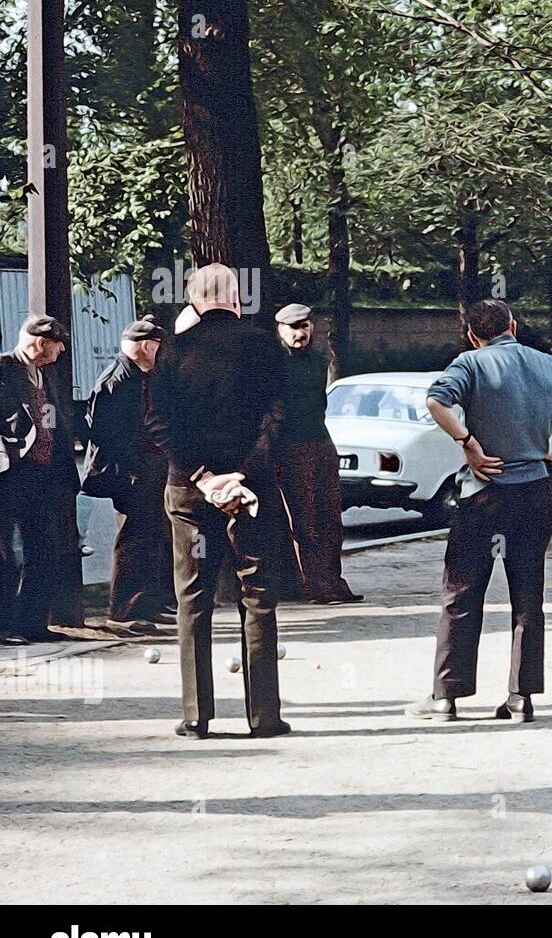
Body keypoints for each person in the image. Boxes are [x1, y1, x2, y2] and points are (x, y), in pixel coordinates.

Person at [406, 299, 552, 724]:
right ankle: (521, 698)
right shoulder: (549, 365)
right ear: (513, 326)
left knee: (461, 593)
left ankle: (446, 697)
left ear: (472, 334)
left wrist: (470, 443)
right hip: (534, 492)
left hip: (483, 493)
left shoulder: (469, 364)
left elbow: (435, 402)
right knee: (527, 596)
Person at [144, 264, 291, 740]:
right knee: (258, 596)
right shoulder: (265, 345)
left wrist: (205, 477)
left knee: (192, 598)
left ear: (192, 298)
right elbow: (277, 419)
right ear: (236, 296)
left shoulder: (172, 351)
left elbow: (158, 426)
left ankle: (196, 715)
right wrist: (241, 473)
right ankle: (264, 716)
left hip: (190, 489)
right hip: (251, 490)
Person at [82, 315, 176, 627]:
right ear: (147, 346)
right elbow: (104, 432)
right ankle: (123, 609)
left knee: (151, 538)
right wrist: (130, 469)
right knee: (133, 540)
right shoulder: (118, 379)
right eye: (158, 346)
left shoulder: (140, 376)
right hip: (131, 472)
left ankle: (147, 603)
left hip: (149, 467)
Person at [273, 303, 361, 604]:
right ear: (281, 330)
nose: (301, 333)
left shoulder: (319, 358)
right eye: (294, 328)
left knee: (331, 516)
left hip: (320, 440)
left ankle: (334, 579)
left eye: (305, 326)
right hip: (290, 445)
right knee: (306, 518)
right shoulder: (274, 363)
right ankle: (313, 584)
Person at [0, 315, 80, 643]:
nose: (59, 355)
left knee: (44, 549)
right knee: (7, 553)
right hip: (10, 474)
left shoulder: (44, 375)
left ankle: (33, 623)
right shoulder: (4, 370)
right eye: (57, 348)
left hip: (42, 475)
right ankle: (3, 626)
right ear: (40, 344)